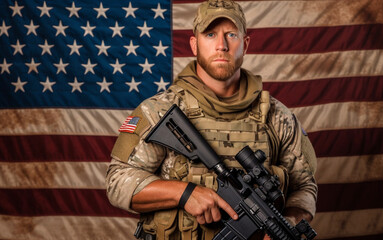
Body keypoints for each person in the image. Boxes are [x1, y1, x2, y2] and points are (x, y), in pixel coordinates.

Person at [106, 0, 318, 239]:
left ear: (245, 44)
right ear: (194, 44)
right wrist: (185, 193)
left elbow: (304, 187)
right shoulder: (160, 111)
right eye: (210, 34)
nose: (221, 45)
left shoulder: (278, 118)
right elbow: (118, 182)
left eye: (231, 34)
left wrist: (286, 223)